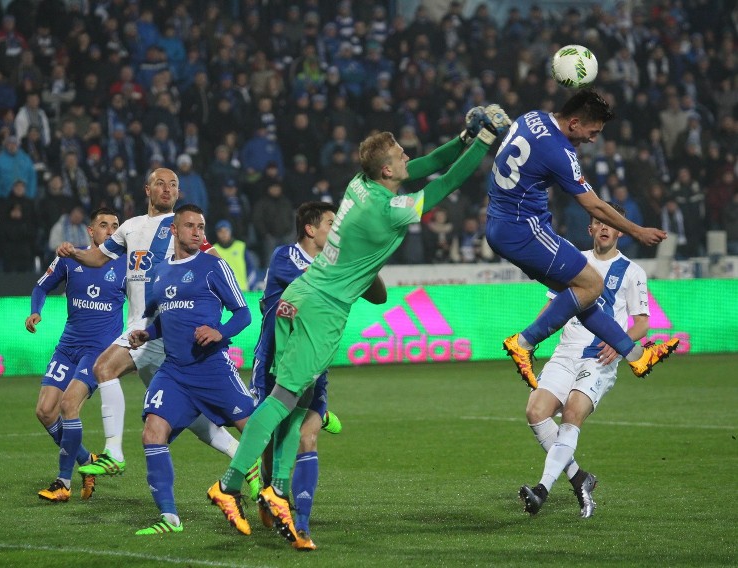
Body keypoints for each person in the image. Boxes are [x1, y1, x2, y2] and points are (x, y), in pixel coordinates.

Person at [207, 105, 509, 548]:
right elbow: (443, 183)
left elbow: (424, 166)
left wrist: (465, 138)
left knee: (300, 398)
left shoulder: (360, 183)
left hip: (302, 294)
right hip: (324, 309)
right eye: (400, 155)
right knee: (284, 398)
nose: (408, 158)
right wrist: (484, 144)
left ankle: (277, 489)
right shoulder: (387, 211)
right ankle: (229, 484)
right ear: (387, 168)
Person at [55, 169, 259, 492]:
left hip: (157, 329)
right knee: (192, 417)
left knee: (103, 368)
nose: (168, 189)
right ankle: (245, 460)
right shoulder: (130, 227)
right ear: (147, 189)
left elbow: (213, 264)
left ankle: (114, 452)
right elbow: (98, 257)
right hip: (146, 330)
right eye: (161, 184)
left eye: (174, 185)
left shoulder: (181, 228)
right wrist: (75, 253)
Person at [485, 90, 679, 390]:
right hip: (524, 229)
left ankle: (637, 355)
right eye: (593, 132)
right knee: (592, 285)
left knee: (581, 295)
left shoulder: (531, 117)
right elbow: (595, 206)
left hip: (500, 224)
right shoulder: (560, 153)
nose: (593, 139)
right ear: (574, 123)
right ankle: (523, 342)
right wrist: (637, 231)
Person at [127, 205, 254, 535]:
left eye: (201, 226)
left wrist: (219, 332)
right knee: (152, 433)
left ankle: (271, 496)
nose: (198, 232)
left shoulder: (214, 266)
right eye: (191, 226)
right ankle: (169, 518)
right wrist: (147, 333)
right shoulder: (160, 273)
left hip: (213, 368)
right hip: (175, 373)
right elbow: (163, 320)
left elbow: (243, 314)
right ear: (174, 230)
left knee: (257, 433)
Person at [518, 203, 650, 518]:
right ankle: (580, 479)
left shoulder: (632, 271)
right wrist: (529, 340)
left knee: (573, 413)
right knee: (535, 411)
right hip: (565, 353)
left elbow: (642, 322)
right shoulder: (572, 263)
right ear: (590, 228)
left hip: (599, 357)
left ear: (619, 229)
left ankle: (542, 490)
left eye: (610, 224)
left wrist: (620, 343)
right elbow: (552, 308)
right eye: (598, 222)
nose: (604, 228)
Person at [248, 201, 345, 550]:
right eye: (332, 223)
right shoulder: (285, 257)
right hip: (275, 361)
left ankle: (300, 522)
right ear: (310, 228)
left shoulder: (335, 263)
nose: (337, 230)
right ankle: (271, 491)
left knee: (307, 436)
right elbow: (316, 288)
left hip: (314, 365)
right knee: (273, 438)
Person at [26, 207, 126, 502]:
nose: (111, 230)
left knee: (69, 404)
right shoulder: (69, 260)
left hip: (98, 353)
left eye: (115, 226)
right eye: (104, 225)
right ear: (90, 232)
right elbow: (41, 287)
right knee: (45, 411)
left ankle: (63, 482)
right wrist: (35, 312)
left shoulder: (126, 265)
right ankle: (86, 460)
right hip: (68, 347)